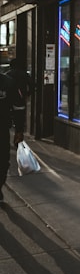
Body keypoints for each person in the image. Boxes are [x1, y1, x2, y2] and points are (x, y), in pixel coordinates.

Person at [0, 71, 25, 202]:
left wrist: (19, 130)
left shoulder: (8, 83)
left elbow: (19, 107)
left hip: (2, 128)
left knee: (3, 161)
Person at [6, 58, 34, 144]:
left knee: (7, 120)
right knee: (19, 121)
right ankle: (18, 138)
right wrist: (27, 94)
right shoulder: (25, 74)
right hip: (20, 100)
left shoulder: (8, 74)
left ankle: (7, 139)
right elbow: (32, 85)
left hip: (9, 101)